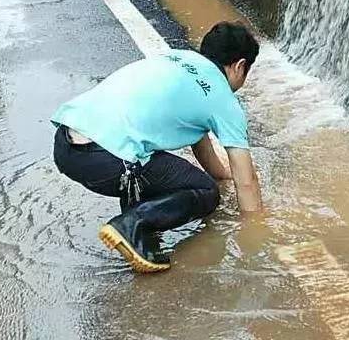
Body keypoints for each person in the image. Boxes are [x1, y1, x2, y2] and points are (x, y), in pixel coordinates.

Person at [52, 21, 265, 273]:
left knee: (150, 159)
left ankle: (135, 229)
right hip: (107, 159)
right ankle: (132, 224)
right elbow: (247, 181)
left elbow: (198, 137)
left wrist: (221, 174)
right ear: (240, 66)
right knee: (206, 191)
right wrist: (256, 230)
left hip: (66, 145)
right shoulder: (223, 100)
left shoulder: (177, 57)